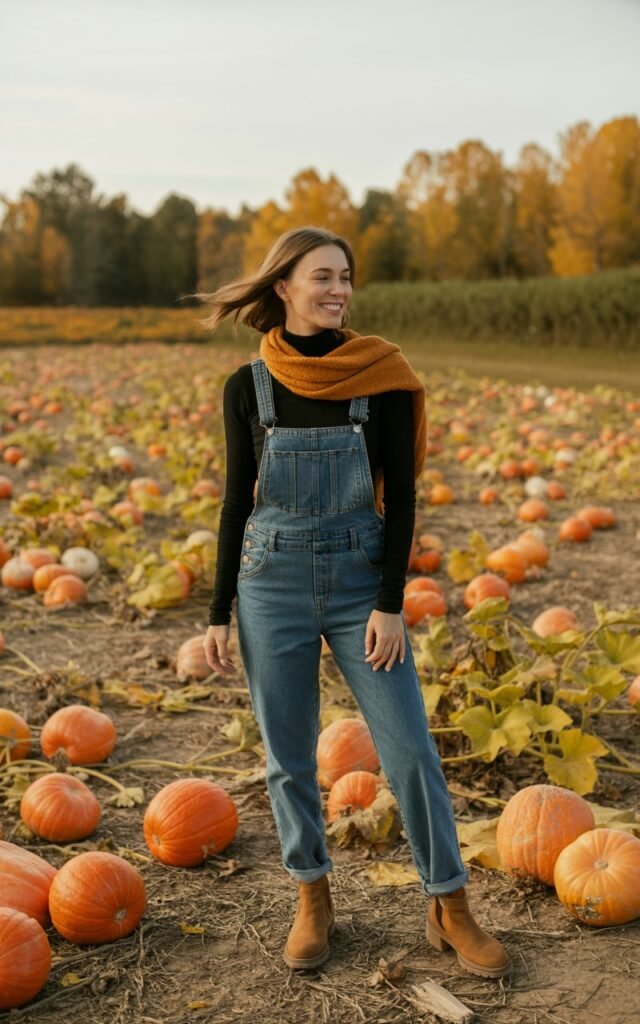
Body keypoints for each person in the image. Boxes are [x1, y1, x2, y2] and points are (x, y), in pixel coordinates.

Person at [199, 225, 509, 978]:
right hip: (268, 584)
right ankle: (313, 897)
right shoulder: (249, 386)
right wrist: (215, 612)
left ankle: (450, 903)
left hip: (359, 581)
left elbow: (399, 498)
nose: (338, 291)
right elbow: (237, 503)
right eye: (322, 277)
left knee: (410, 751)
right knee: (287, 761)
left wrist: (389, 602)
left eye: (345, 278)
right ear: (284, 287)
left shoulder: (382, 375)